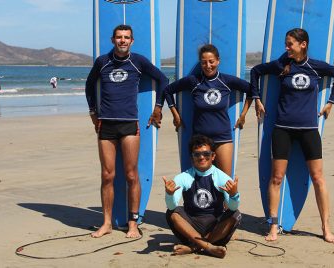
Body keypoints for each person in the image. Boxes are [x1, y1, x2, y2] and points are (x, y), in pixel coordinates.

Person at [250, 28, 334, 243]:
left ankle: (326, 227)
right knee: (276, 178)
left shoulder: (316, 66)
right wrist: (256, 98)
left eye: (290, 43)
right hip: (282, 128)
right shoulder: (281, 65)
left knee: (318, 178)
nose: (286, 47)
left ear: (303, 44)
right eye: (286, 43)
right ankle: (273, 226)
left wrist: (331, 102)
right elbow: (255, 71)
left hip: (309, 130)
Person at [85, 24, 168, 238]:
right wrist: (93, 112)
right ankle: (106, 223)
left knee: (131, 175)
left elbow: (163, 80)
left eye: (127, 37)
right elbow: (89, 84)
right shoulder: (102, 62)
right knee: (107, 175)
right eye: (119, 37)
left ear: (132, 41)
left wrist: (158, 107)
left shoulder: (138, 61)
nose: (123, 41)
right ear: (113, 40)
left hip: (130, 124)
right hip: (106, 125)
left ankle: (133, 223)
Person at [164, 44, 253, 176]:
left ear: (218, 60)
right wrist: (175, 115)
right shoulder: (194, 81)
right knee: (202, 184)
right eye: (204, 62)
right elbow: (167, 91)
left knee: (225, 183)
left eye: (211, 61)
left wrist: (243, 114)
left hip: (223, 138)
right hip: (200, 140)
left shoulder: (226, 81)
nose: (208, 65)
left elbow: (252, 89)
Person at [163, 135, 241, 258]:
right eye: (197, 154)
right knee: (172, 213)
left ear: (213, 156)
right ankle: (208, 247)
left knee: (235, 214)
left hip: (214, 228)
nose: (202, 157)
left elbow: (232, 206)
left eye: (206, 154)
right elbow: (171, 205)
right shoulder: (184, 177)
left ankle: (194, 247)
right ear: (192, 157)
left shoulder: (222, 177)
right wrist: (169, 194)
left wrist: (233, 195)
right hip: (190, 226)